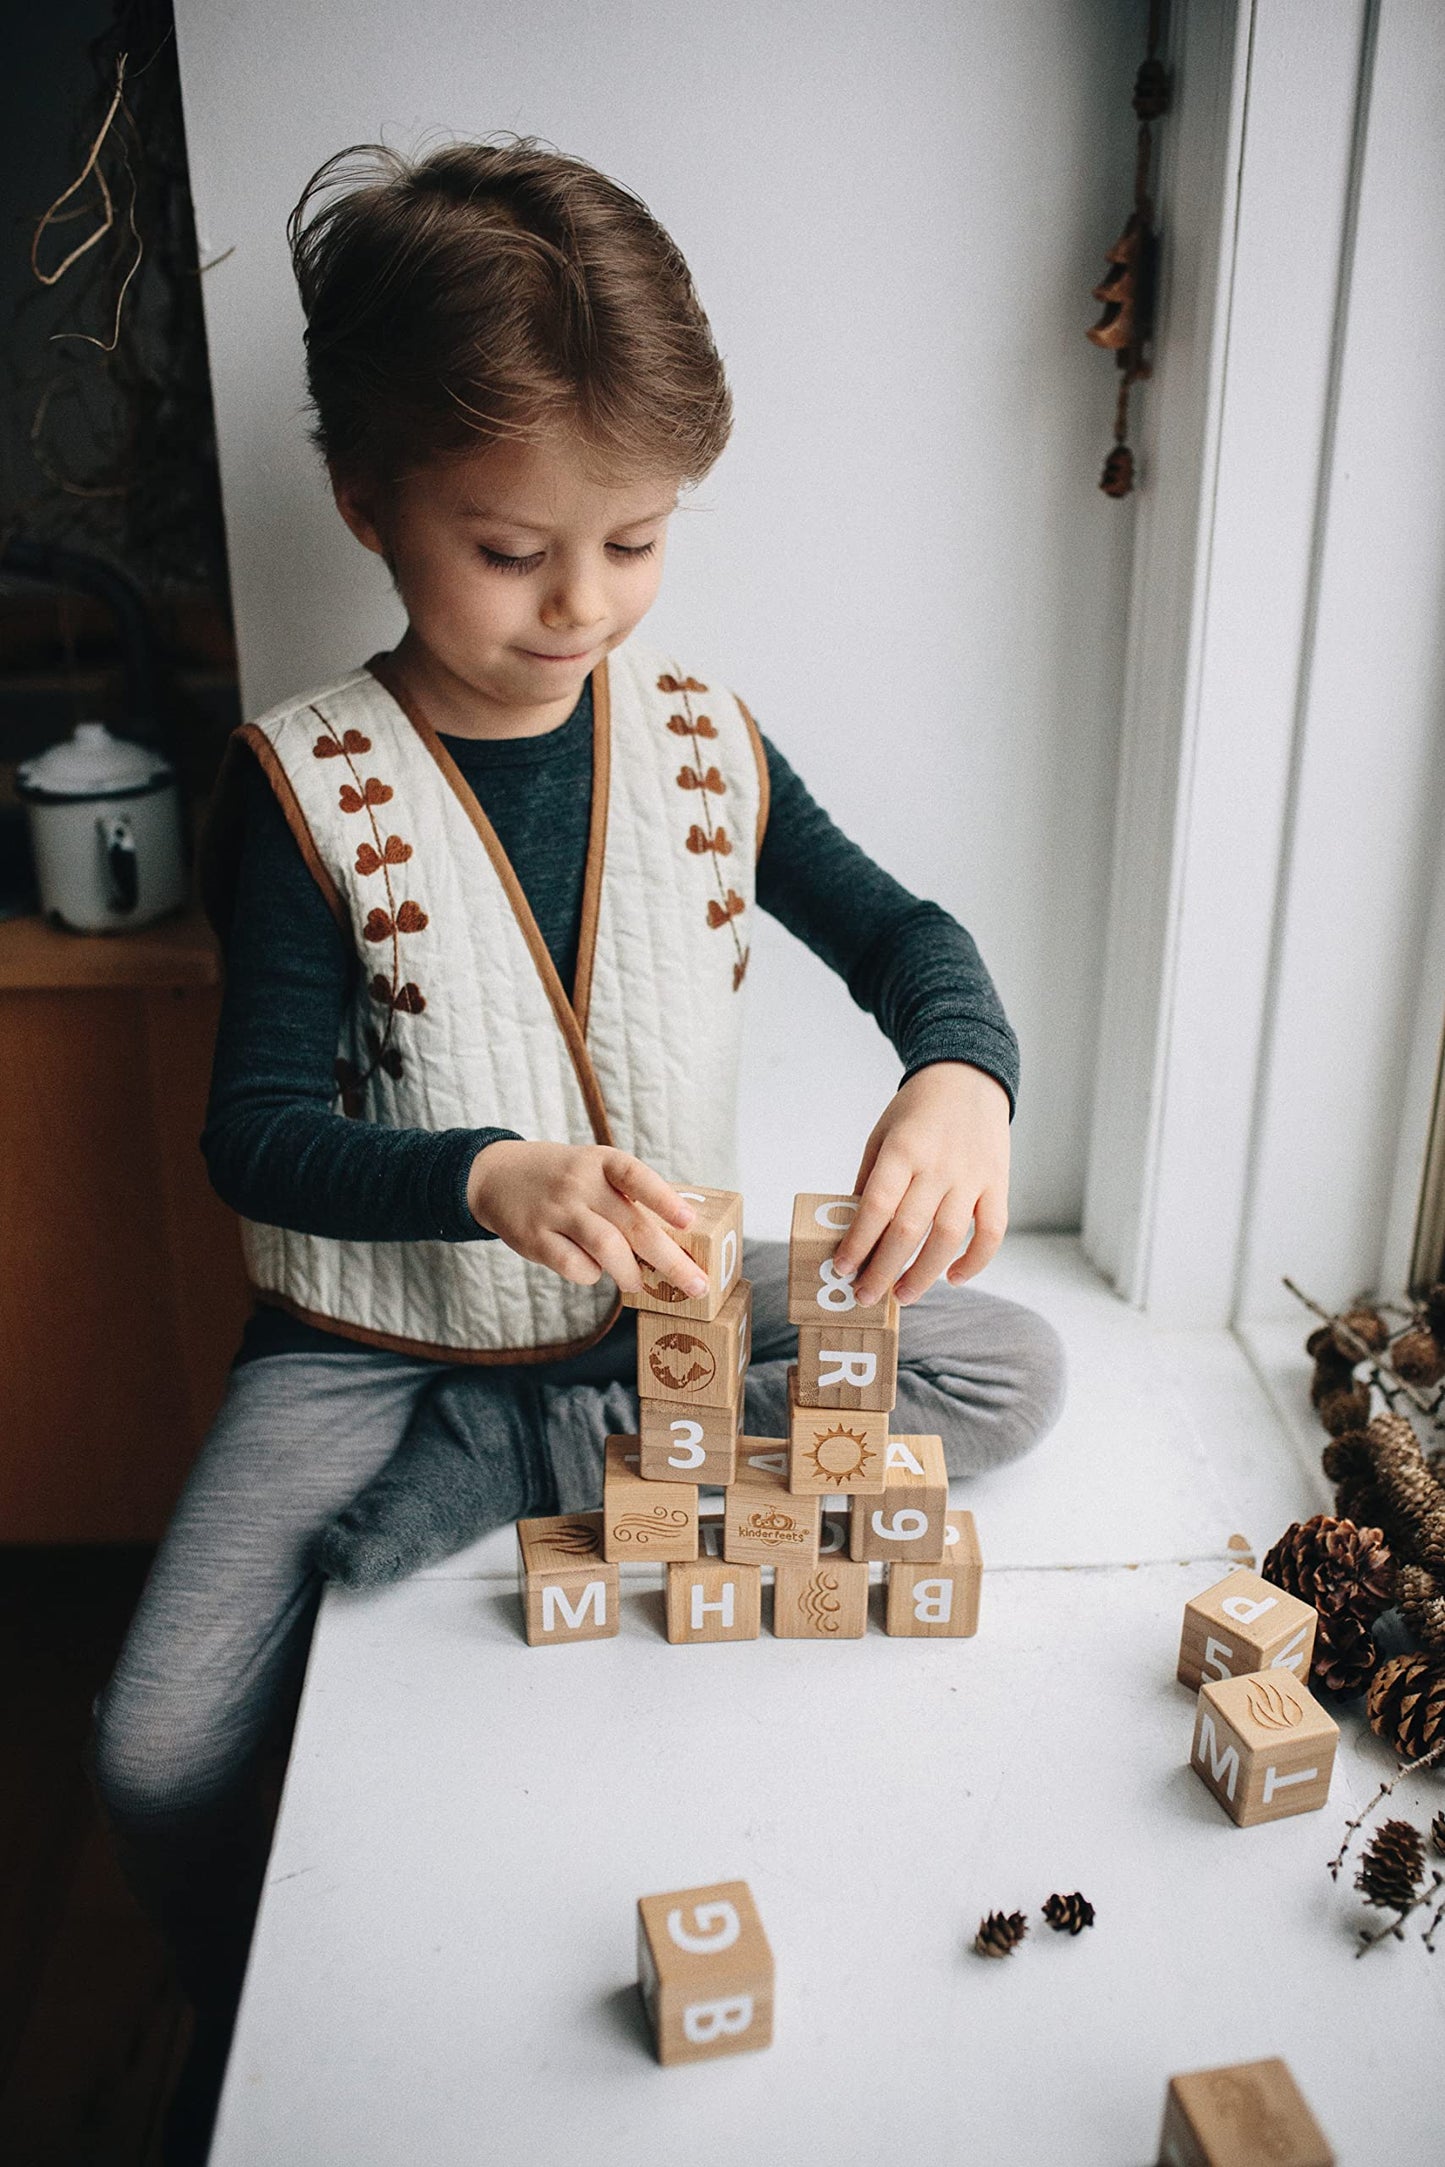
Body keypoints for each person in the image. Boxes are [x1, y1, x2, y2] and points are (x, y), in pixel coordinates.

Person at [91, 136, 1065, 2158]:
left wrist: (961, 1071)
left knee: (1003, 1358)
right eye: (514, 549)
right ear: (368, 502)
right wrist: (485, 1176)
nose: (578, 605)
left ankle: (552, 1458)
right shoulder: (297, 786)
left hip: (656, 1317)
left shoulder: (705, 737)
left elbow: (910, 939)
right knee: (159, 1742)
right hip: (378, 1346)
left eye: (631, 544)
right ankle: (231, 2025)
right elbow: (251, 1137)